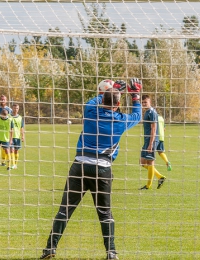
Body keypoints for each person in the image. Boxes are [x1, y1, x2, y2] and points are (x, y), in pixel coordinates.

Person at [40, 78, 142, 260]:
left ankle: (50, 249)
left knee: (65, 210)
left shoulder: (90, 111)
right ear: (118, 104)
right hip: (102, 169)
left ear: (102, 99)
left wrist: (111, 89)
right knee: (105, 213)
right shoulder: (121, 121)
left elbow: (94, 100)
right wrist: (135, 96)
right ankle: (111, 252)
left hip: (79, 166)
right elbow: (137, 115)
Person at [139, 95, 166, 190]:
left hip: (152, 141)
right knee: (142, 162)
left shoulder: (152, 112)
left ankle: (148, 186)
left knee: (150, 162)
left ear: (150, 102)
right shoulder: (146, 112)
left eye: (145, 102)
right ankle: (160, 177)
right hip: (147, 140)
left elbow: (154, 129)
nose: (144, 104)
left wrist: (151, 144)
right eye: (142, 102)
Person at [0, 94, 12, 166]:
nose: (2, 100)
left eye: (4, 99)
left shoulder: (9, 110)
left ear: (6, 100)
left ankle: (3, 161)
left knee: (5, 148)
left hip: (5, 133)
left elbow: (11, 122)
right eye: (1, 99)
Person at [10, 103, 24, 169]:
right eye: (14, 108)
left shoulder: (20, 118)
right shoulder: (9, 116)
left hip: (17, 136)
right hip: (10, 136)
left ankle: (15, 164)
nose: (16, 109)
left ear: (18, 109)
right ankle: (13, 164)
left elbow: (22, 128)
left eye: (17, 108)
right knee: (11, 150)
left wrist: (23, 136)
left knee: (16, 150)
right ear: (12, 108)